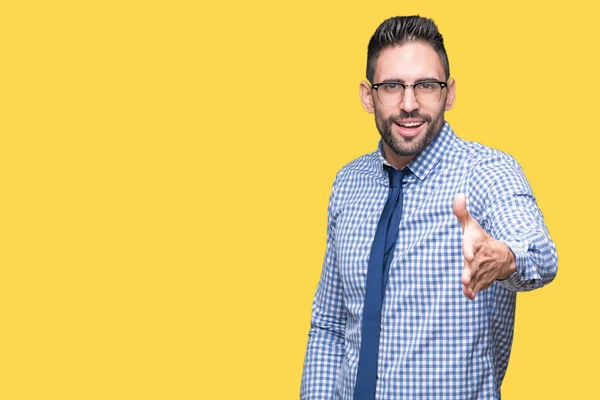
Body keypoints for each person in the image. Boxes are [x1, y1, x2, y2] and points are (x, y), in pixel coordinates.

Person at [300, 15, 557, 400]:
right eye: (391, 86)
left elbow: (541, 254)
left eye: (425, 85)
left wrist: (504, 258)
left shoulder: (487, 173)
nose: (408, 104)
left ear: (449, 93)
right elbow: (331, 324)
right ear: (368, 96)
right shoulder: (348, 183)